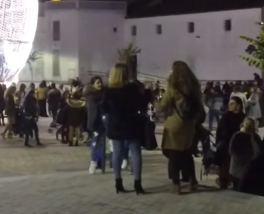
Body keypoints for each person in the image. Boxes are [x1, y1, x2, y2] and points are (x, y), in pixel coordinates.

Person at [156, 61, 205, 195]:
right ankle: (192, 181)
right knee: (185, 152)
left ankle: (176, 184)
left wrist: (155, 103)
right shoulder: (194, 85)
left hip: (175, 124)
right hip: (190, 124)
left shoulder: (173, 86)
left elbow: (163, 105)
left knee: (173, 154)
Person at [102, 63, 146, 195]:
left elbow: (104, 109)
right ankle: (138, 184)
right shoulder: (132, 89)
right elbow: (141, 105)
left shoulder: (108, 91)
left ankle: (118, 183)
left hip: (115, 124)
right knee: (136, 153)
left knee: (117, 153)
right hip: (131, 124)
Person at [214, 96, 247, 189]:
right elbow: (219, 131)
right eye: (229, 104)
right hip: (225, 147)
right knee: (224, 169)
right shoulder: (226, 116)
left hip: (238, 148)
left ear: (238, 105)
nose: (230, 106)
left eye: (232, 104)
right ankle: (223, 184)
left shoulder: (243, 117)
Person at [229, 117, 262, 190]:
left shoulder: (255, 137)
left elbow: (260, 148)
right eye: (248, 124)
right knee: (238, 188)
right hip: (239, 169)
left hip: (252, 168)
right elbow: (233, 151)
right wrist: (247, 159)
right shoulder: (238, 136)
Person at [84, 76, 105, 173]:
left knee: (102, 144)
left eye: (100, 82)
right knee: (95, 143)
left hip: (104, 122)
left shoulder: (103, 93)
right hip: (96, 122)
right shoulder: (91, 95)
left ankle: (100, 162)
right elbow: (93, 110)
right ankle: (93, 162)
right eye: (97, 82)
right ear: (93, 84)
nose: (100, 84)